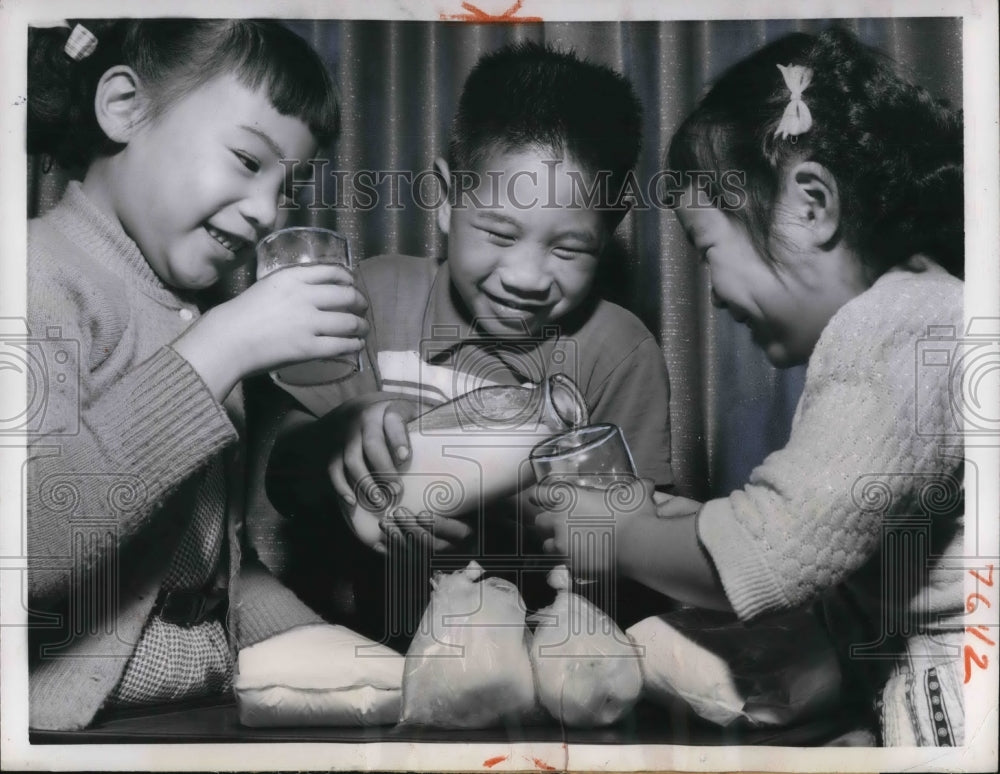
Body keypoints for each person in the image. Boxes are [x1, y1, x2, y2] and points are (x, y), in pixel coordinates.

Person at [534, 26, 965, 746]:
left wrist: (614, 535)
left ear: (810, 205)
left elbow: (768, 553)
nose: (709, 291)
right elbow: (835, 552)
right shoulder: (923, 312)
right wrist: (656, 516)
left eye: (707, 250)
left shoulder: (899, 330)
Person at [26, 20, 370, 730]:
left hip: (203, 699)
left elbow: (225, 567)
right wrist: (222, 345)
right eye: (248, 160)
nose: (268, 211)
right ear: (125, 108)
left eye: (289, 187)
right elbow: (25, 541)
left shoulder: (199, 313)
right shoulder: (33, 276)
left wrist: (343, 658)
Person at [266, 42, 674, 629]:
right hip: (383, 657)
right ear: (444, 198)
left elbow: (642, 558)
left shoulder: (619, 351)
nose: (527, 278)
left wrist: (530, 510)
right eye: (500, 234)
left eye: (568, 248)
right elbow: (283, 481)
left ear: (608, 235)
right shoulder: (376, 299)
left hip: (553, 668)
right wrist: (339, 440)